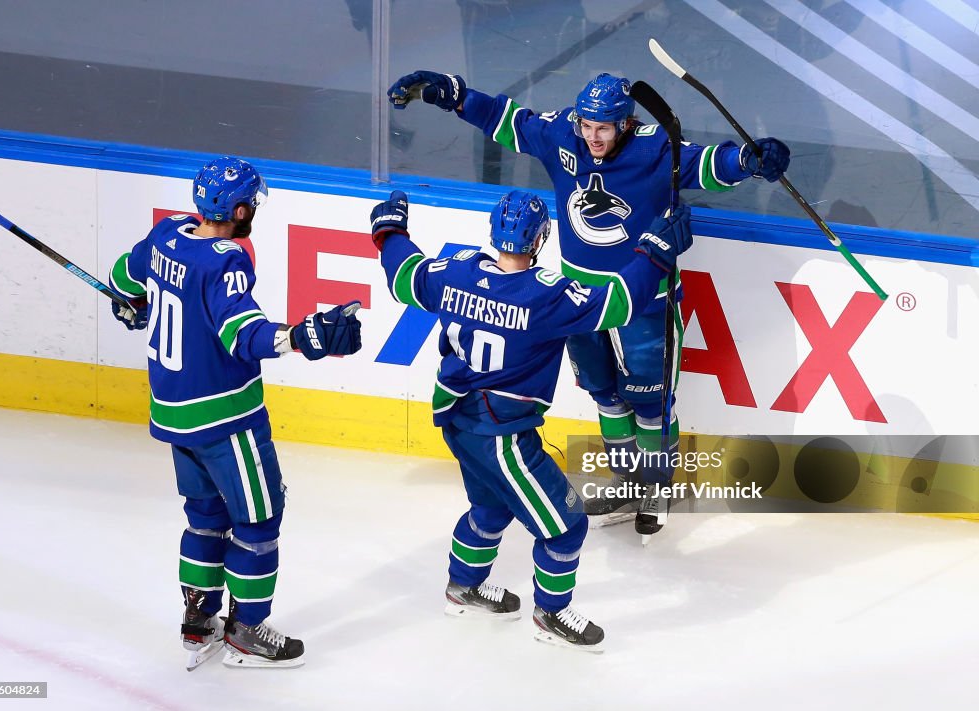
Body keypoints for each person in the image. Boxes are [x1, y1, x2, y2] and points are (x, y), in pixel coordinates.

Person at [386, 70, 791, 534]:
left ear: (625, 124)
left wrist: (751, 159)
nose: (592, 138)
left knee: (652, 403)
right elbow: (509, 120)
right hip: (578, 300)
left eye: (603, 129)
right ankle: (625, 484)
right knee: (605, 394)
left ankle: (656, 488)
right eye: (587, 127)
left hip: (646, 302)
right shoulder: (566, 133)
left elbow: (707, 165)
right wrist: (454, 97)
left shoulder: (654, 149)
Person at [369, 187, 692, 651]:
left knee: (491, 509)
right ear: (541, 239)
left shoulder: (456, 270)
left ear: (493, 232)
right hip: (503, 433)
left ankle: (463, 587)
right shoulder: (545, 295)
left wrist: (390, 230)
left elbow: (405, 275)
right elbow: (618, 303)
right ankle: (552, 614)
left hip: (458, 418)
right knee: (566, 526)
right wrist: (655, 255)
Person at [107, 156, 363, 669]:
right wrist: (302, 336)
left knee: (204, 519)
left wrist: (128, 300)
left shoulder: (166, 234)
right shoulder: (225, 259)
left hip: (175, 414)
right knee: (259, 518)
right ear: (241, 208)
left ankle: (198, 623)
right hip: (226, 420)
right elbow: (242, 335)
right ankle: (246, 631)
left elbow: (123, 273)